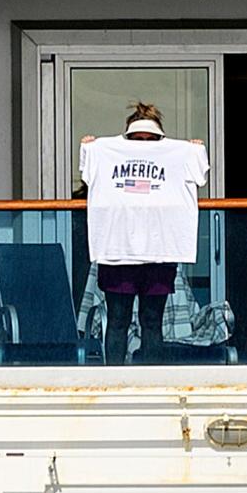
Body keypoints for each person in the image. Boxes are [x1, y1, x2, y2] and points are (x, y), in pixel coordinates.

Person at [80, 103, 209, 364]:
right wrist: (90, 150)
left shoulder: (179, 153)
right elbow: (88, 177)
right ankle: (114, 381)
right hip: (118, 250)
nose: (144, 145)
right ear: (126, 138)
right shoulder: (105, 151)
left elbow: (199, 175)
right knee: (117, 320)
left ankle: (151, 383)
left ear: (161, 139)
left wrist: (195, 151)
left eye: (150, 140)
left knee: (152, 321)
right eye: (138, 140)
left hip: (160, 250)